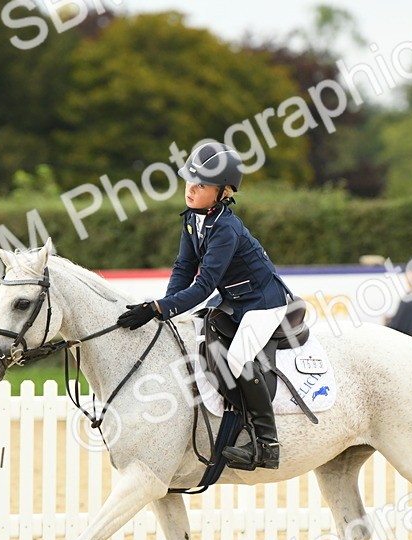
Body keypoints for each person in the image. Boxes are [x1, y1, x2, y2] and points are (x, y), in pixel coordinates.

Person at [116, 143, 296, 470]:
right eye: (190, 181)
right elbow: (184, 268)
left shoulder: (226, 228)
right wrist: (166, 307)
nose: (191, 189)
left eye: (201, 185)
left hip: (262, 303)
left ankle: (267, 442)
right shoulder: (192, 219)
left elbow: (204, 286)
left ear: (223, 192)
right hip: (234, 302)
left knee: (238, 359)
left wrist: (157, 309)